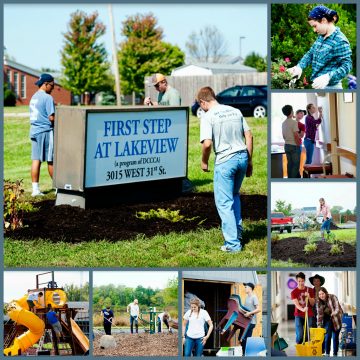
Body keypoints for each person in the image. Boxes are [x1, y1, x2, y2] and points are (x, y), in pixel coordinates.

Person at [198, 86, 253, 253]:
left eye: (200, 106)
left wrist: (204, 162)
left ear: (203, 102)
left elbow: (207, 144)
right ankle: (238, 234)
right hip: (242, 157)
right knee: (234, 196)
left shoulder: (208, 116)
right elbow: (249, 135)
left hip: (225, 161)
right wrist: (249, 162)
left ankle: (233, 245)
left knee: (224, 203)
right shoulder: (235, 111)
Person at [288, 5, 352, 89]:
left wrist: (328, 77)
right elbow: (310, 54)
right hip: (318, 85)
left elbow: (347, 66)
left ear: (324, 20)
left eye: (315, 26)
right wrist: (299, 67)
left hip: (331, 87)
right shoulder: (321, 36)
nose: (314, 30)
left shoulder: (340, 41)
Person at [29, 73, 56, 196]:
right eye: (52, 85)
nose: (53, 88)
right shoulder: (47, 98)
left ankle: (35, 190)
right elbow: (51, 117)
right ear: (45, 84)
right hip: (45, 131)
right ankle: (58, 187)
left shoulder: (34, 96)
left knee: (36, 160)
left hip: (34, 130)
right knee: (51, 160)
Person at [317, 287, 343, 356]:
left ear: (326, 293)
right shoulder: (319, 302)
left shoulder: (332, 297)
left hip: (336, 319)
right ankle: (327, 353)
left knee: (335, 337)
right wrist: (319, 324)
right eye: (320, 294)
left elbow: (337, 307)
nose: (321, 296)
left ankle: (335, 354)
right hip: (327, 320)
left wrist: (334, 313)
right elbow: (319, 314)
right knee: (327, 336)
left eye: (322, 293)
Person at [290, 272, 315, 344]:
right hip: (298, 315)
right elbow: (297, 305)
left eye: (302, 281)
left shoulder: (309, 290)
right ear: (296, 281)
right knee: (300, 335)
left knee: (308, 335)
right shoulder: (294, 292)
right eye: (299, 281)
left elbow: (312, 303)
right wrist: (303, 309)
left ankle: (306, 350)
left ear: (304, 280)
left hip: (309, 314)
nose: (301, 283)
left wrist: (309, 297)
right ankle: (299, 347)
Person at [238, 283, 261, 354]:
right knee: (240, 338)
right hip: (245, 322)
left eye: (246, 287)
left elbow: (258, 309)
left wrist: (249, 313)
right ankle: (244, 353)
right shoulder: (247, 297)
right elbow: (246, 309)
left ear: (250, 288)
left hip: (251, 322)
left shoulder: (254, 297)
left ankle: (246, 354)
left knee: (245, 339)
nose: (245, 288)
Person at [281, 105, 301, 178]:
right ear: (291, 112)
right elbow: (296, 135)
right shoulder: (294, 122)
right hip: (294, 146)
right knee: (296, 166)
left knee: (290, 164)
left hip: (287, 146)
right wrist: (298, 144)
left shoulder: (283, 123)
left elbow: (283, 136)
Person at [295, 109, 306, 176]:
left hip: (298, 145)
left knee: (297, 162)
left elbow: (301, 136)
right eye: (301, 113)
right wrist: (297, 134)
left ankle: (297, 177)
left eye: (303, 114)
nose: (302, 115)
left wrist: (295, 134)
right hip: (290, 145)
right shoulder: (290, 123)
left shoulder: (302, 125)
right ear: (296, 114)